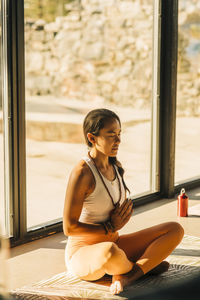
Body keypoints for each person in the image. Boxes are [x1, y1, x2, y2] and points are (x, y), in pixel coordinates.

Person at [63, 108, 184, 295]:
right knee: (109, 252)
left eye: (119, 134)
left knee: (175, 229)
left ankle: (128, 274)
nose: (118, 140)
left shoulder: (115, 165)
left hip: (116, 243)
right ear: (92, 138)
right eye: (111, 134)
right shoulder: (82, 172)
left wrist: (115, 225)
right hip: (84, 253)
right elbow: (69, 228)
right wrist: (109, 227)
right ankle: (143, 266)